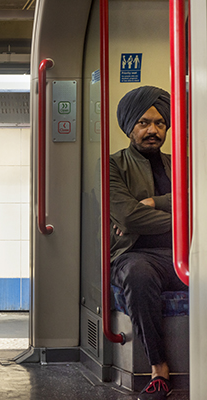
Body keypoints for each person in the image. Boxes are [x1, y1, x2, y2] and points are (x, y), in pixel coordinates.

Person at [110, 86, 188, 400]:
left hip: (183, 252)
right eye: (143, 123)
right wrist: (183, 216)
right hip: (136, 254)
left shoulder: (181, 163)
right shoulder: (115, 165)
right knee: (138, 275)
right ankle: (159, 370)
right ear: (130, 127)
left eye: (159, 123)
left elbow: (196, 200)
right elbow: (128, 219)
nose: (152, 130)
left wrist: (154, 202)